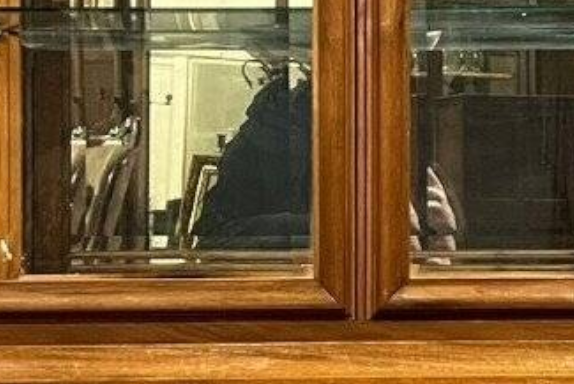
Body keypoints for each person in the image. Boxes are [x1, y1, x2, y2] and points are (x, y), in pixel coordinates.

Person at [191, 66, 458, 255]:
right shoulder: (269, 136)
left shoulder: (407, 138)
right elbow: (212, 240)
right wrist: (330, 229)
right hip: (292, 309)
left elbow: (444, 253)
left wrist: (439, 242)